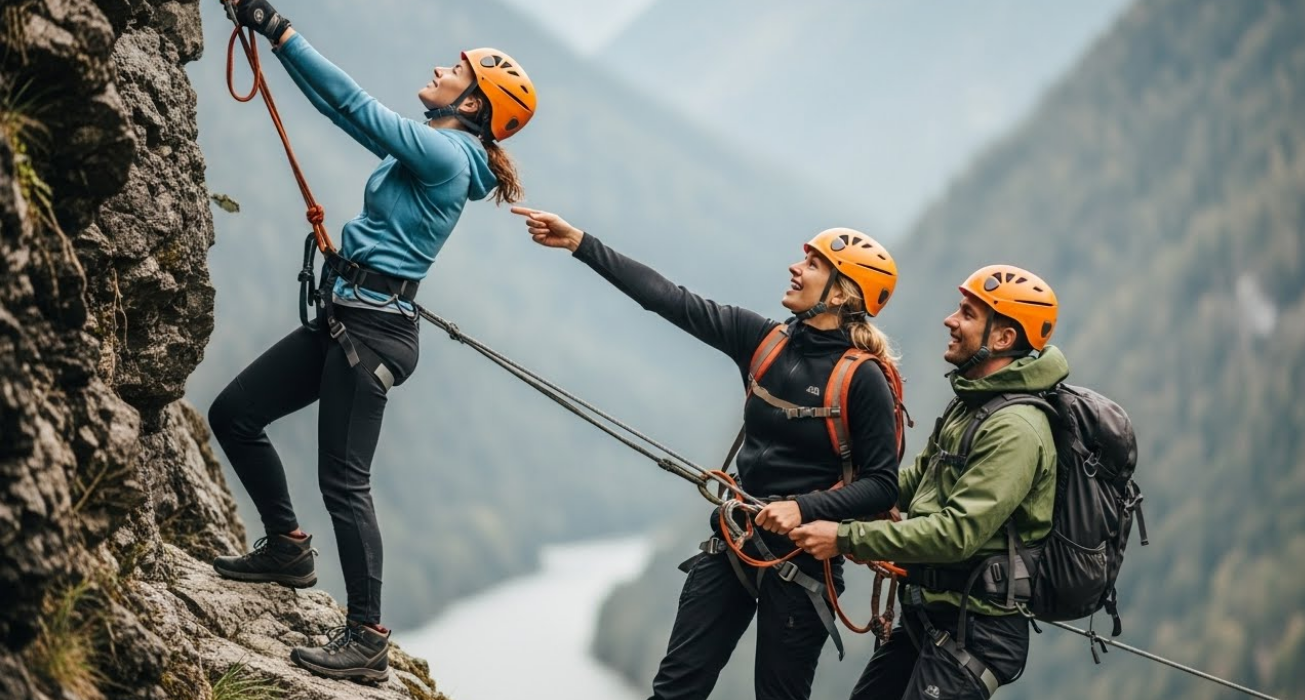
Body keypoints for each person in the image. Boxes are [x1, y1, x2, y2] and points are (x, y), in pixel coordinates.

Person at [205, 0, 535, 683]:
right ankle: (289, 549)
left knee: (344, 483)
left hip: (372, 334)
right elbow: (349, 115)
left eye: (456, 70)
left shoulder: (448, 151)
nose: (440, 69)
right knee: (234, 414)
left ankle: (366, 636)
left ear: (473, 102)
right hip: (352, 318)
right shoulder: (446, 151)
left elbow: (351, 107)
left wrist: (276, 29)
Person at [514, 207, 903, 700]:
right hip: (736, 542)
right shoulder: (763, 341)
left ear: (842, 292)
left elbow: (881, 486)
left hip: (805, 563)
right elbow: (670, 300)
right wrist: (580, 242)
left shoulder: (863, 379)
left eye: (812, 264)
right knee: (676, 688)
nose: (795, 267)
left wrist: (803, 507)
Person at [790, 265, 1069, 700]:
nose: (950, 321)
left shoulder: (1015, 429)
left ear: (1002, 338)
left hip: (977, 633)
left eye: (968, 314)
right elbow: (914, 483)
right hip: (934, 618)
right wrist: (820, 501)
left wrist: (844, 537)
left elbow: (957, 534)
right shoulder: (972, 405)